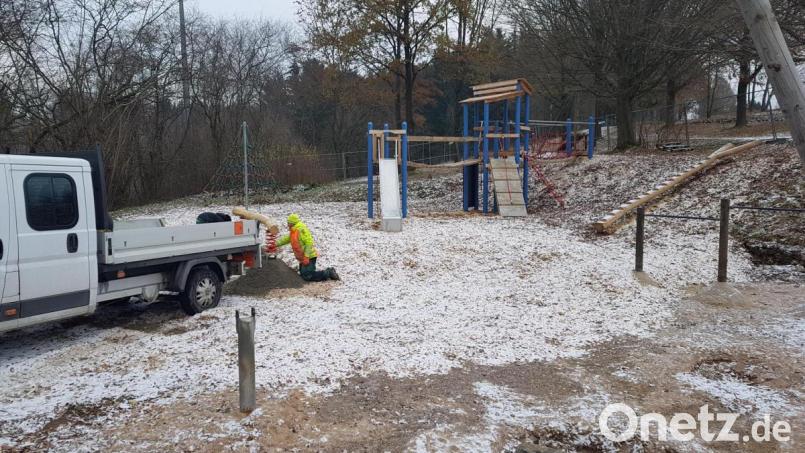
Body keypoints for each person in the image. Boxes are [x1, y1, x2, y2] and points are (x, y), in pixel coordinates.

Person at [276, 213, 340, 282]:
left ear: (292, 223)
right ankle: (321, 272)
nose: (287, 224)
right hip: (303, 257)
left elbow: (309, 243)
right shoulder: (294, 231)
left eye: (288, 223)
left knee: (307, 276)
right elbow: (286, 239)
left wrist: (306, 256)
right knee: (303, 274)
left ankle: (328, 273)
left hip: (309, 256)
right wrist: (275, 244)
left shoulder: (301, 230)